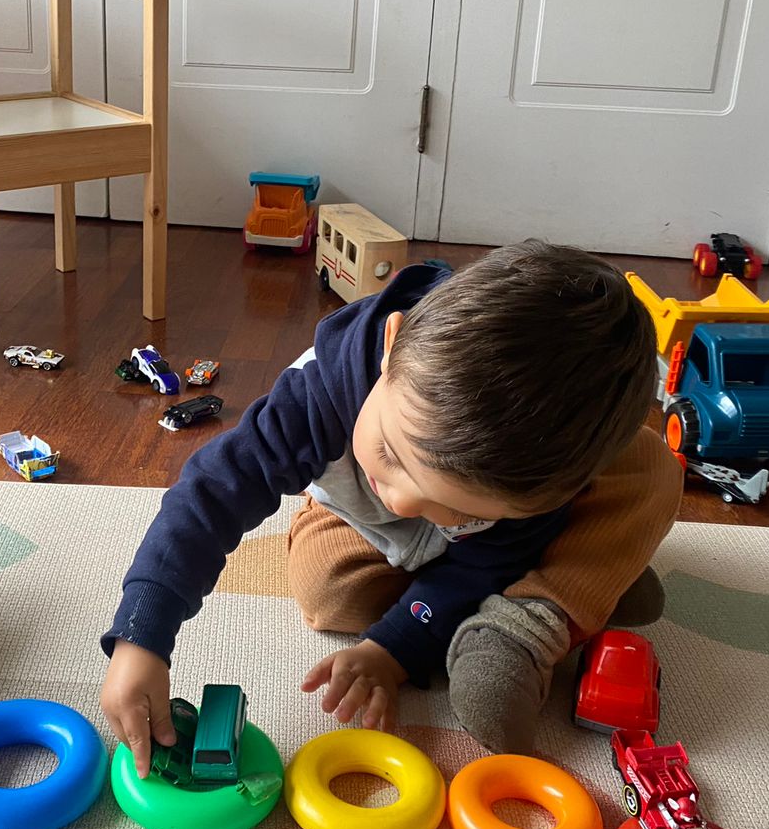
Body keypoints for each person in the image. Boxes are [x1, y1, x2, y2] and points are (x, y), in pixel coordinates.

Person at [99, 241, 684, 774]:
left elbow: (486, 560)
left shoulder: (535, 482)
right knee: (330, 593)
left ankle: (528, 619)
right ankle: (584, 577)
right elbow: (212, 492)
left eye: (456, 507)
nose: (404, 499)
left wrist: (392, 650)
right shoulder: (319, 395)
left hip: (499, 548)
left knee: (652, 470)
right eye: (390, 454)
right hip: (360, 525)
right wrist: (141, 636)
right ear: (390, 346)